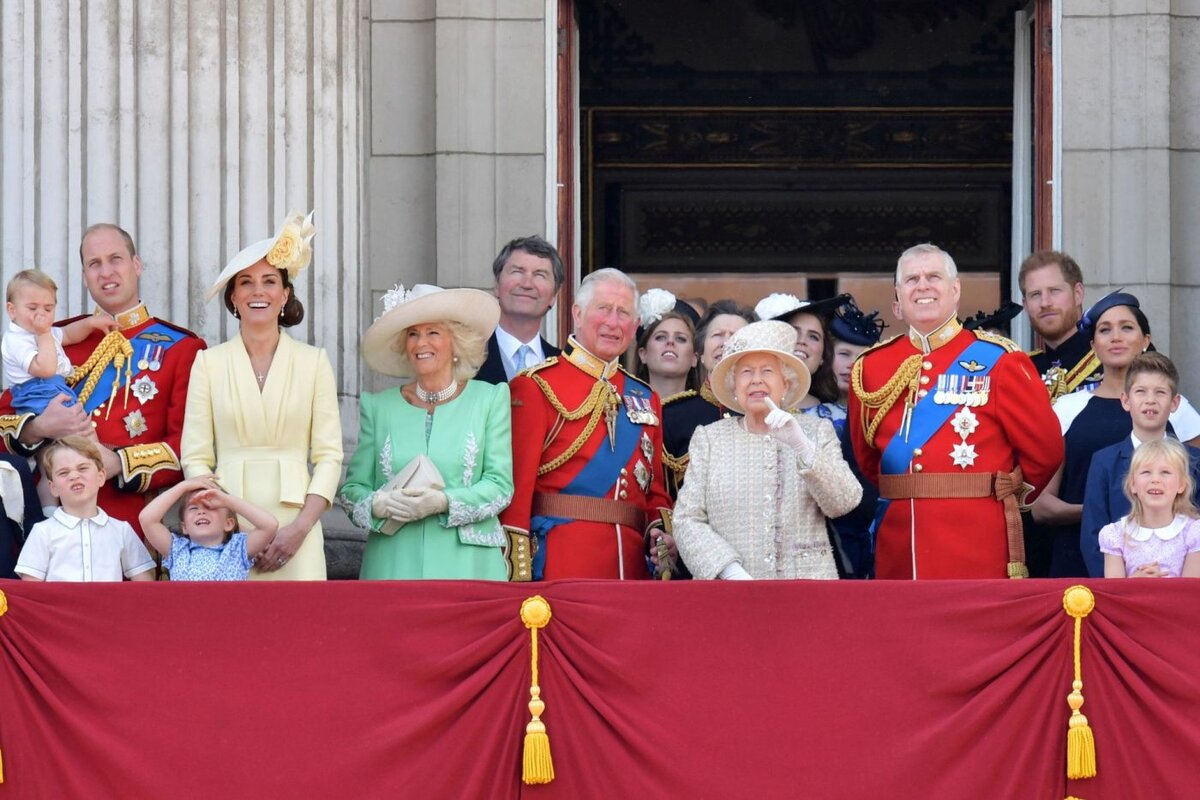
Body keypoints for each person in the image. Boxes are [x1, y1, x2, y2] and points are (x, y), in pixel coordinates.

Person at [849, 243, 1062, 579]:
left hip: (977, 541)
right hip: (898, 545)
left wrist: (1002, 497)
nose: (923, 286)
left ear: (955, 289)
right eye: (911, 279)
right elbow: (868, 459)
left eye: (933, 276)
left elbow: (1045, 451)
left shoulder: (1000, 360)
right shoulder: (871, 367)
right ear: (897, 298)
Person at [0, 224, 207, 539]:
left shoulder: (182, 348)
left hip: (128, 524)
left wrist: (118, 462)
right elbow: (4, 419)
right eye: (94, 264)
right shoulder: (53, 338)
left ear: (136, 265)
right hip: (49, 525)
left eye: (116, 259)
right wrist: (38, 427)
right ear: (84, 276)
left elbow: (189, 450)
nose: (105, 271)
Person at [181, 211, 343, 581]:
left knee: (301, 632)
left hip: (296, 524)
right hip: (228, 525)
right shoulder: (208, 363)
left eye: (269, 281)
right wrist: (223, 526)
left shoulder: (313, 362)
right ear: (233, 297)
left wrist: (300, 529)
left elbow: (329, 456)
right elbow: (196, 456)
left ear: (284, 295)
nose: (258, 291)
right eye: (246, 282)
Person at [500, 268, 673, 580]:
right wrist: (517, 573)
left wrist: (659, 532)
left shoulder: (645, 397)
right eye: (603, 309)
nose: (612, 322)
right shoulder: (536, 386)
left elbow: (654, 493)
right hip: (561, 564)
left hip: (633, 571)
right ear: (577, 314)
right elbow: (516, 491)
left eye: (623, 313)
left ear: (634, 327)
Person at [338, 284, 515, 580]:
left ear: (456, 342)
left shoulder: (489, 399)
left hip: (469, 567)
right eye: (412, 334)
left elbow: (500, 487)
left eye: (433, 332)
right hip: (394, 565)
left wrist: (444, 501)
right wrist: (377, 504)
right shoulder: (379, 407)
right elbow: (351, 492)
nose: (421, 343)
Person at [673, 321, 860, 580]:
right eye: (746, 372)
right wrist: (728, 571)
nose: (756, 380)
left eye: (767, 371)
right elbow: (686, 519)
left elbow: (845, 501)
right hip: (728, 594)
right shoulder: (710, 439)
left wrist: (803, 447)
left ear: (786, 383)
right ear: (734, 386)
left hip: (806, 589)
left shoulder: (816, 431)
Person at [1034, 292, 1200, 577]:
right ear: (1093, 345)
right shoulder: (1067, 408)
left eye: (1126, 327)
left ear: (1145, 339)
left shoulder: (1180, 410)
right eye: (1105, 330)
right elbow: (1041, 504)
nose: (1116, 337)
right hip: (1087, 563)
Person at [1081, 353, 1200, 577]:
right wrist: (1117, 589)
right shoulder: (1104, 461)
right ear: (1126, 401)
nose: (1150, 400)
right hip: (1121, 593)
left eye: (1160, 392)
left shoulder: (1195, 461)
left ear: (1174, 403)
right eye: (1141, 391)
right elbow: (1092, 534)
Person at [15, 436, 155, 581]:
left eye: (82, 468)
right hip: (61, 604)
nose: (74, 476)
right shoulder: (42, 532)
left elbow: (145, 585)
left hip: (108, 604)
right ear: (53, 487)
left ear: (101, 477)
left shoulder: (121, 531)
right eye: (64, 472)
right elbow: (31, 589)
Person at [826, 297, 887, 579]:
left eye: (863, 356)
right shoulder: (803, 409)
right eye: (844, 354)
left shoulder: (885, 415)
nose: (852, 365)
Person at [3, 269, 116, 414]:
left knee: (82, 427)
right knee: (76, 426)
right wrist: (43, 333)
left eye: (48, 309)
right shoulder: (15, 339)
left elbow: (68, 334)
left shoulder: (44, 331)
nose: (41, 314)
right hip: (37, 394)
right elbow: (46, 369)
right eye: (32, 308)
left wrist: (91, 323)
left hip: (54, 389)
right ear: (12, 310)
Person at [635, 287, 706, 499]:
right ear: (643, 354)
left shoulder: (711, 414)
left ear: (694, 358)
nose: (670, 342)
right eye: (660, 337)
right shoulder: (620, 407)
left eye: (681, 339)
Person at [139, 476, 278, 581]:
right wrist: (182, 486)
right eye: (193, 508)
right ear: (184, 527)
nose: (201, 512)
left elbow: (269, 525)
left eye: (211, 507)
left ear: (229, 524)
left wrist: (226, 500)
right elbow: (147, 519)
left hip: (227, 617)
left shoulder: (237, 549)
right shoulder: (176, 549)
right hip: (187, 617)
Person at [1098, 438, 1200, 578]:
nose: (1155, 479)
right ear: (1133, 484)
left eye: (1165, 472)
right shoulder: (1115, 535)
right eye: (1146, 472)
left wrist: (1158, 586)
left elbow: (1191, 593)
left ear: (1181, 485)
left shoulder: (1193, 533)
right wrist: (1135, 582)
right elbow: (1115, 594)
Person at [475, 235, 563, 383]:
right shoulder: (464, 360)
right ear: (497, 285)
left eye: (540, 275)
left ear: (554, 295)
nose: (527, 284)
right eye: (517, 272)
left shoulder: (566, 367)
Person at [1018, 250, 1100, 401]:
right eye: (1035, 294)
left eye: (1054, 291)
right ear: (1025, 305)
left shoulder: (1112, 359)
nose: (1045, 303)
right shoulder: (1022, 372)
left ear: (1078, 294)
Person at [753, 292, 846, 415]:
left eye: (813, 337)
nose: (802, 341)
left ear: (823, 357)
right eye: (794, 332)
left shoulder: (841, 419)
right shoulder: (745, 412)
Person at [695, 299, 756, 414]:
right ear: (701, 353)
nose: (726, 342)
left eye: (736, 335)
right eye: (717, 334)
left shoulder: (771, 414)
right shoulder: (674, 414)